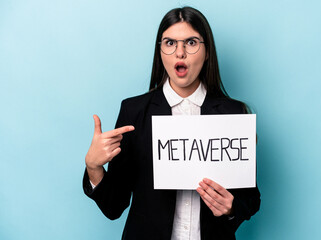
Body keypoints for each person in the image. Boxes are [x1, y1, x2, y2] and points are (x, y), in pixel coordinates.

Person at [83, 6, 260, 240]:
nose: (180, 53)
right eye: (170, 43)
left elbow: (251, 199)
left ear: (207, 52)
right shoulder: (134, 112)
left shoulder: (234, 114)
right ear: (160, 52)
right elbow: (114, 206)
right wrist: (94, 167)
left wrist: (231, 208)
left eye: (191, 42)